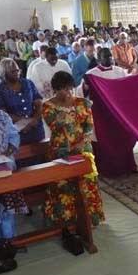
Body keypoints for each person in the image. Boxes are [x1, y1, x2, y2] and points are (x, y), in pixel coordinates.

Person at [42, 71, 104, 226]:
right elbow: (54, 126)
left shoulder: (82, 103)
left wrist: (83, 142)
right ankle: (67, 222)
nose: (69, 92)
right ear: (56, 89)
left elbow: (89, 126)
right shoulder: (48, 106)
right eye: (64, 89)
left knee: (87, 184)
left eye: (70, 88)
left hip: (83, 149)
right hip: (60, 151)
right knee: (63, 185)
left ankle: (90, 219)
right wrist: (64, 112)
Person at [0, 109, 29, 247]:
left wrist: (7, 152)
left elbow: (14, 136)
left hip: (5, 166)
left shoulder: (2, 116)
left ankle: (9, 241)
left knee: (6, 207)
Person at [0, 59, 44, 145]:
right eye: (13, 71)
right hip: (14, 132)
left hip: (36, 129)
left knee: (41, 151)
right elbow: (2, 113)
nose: (16, 73)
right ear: (4, 73)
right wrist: (24, 122)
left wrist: (35, 119)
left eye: (17, 70)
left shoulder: (28, 83)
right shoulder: (0, 90)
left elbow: (39, 102)